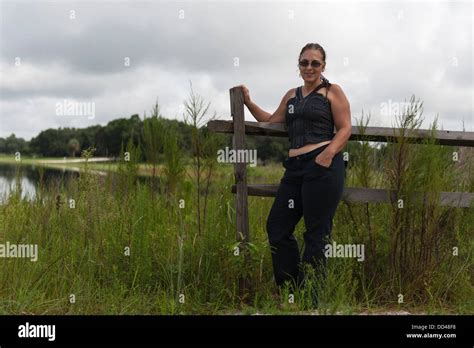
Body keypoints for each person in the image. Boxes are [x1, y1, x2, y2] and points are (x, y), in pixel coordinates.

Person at [236, 43, 352, 306]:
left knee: (316, 233)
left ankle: (311, 300)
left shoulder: (332, 92)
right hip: (295, 169)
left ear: (323, 66)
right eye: (304, 62)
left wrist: (328, 154)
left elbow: (345, 128)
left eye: (315, 63)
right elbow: (271, 120)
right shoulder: (292, 95)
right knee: (277, 227)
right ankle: (293, 291)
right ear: (298, 66)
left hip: (323, 166)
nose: (309, 67)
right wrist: (248, 102)